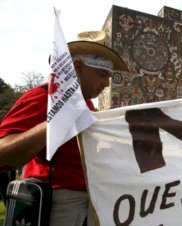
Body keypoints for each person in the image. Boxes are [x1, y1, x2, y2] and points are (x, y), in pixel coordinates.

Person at [0, 31, 127, 225]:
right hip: (61, 203)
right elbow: (3, 152)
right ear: (77, 67)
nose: (107, 84)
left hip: (91, 201)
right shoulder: (43, 97)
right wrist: (54, 122)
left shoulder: (88, 105)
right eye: (102, 74)